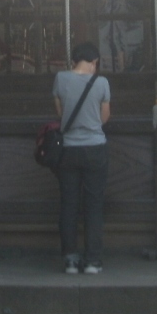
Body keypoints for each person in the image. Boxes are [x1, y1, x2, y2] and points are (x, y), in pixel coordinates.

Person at [53, 41, 112, 274]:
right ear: (93, 62)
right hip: (95, 147)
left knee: (68, 204)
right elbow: (104, 118)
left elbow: (60, 114)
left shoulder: (60, 79)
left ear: (74, 61)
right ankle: (92, 261)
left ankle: (70, 259)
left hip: (68, 149)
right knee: (94, 205)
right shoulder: (102, 83)